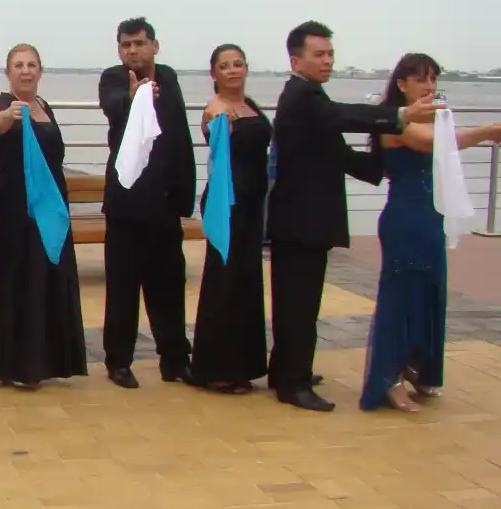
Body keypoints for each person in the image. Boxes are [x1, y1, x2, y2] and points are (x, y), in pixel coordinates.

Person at [268, 21, 435, 412]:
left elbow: (337, 153)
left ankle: (287, 370)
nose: (327, 61)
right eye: (319, 55)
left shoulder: (312, 99)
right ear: (296, 59)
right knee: (299, 303)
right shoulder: (303, 96)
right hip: (299, 219)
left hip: (305, 218)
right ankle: (292, 384)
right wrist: (398, 115)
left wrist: (380, 165)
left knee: (298, 301)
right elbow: (344, 116)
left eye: (330, 54)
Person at [360, 54, 501, 412]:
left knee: (429, 292)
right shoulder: (393, 121)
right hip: (405, 217)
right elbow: (432, 143)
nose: (429, 86)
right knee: (400, 295)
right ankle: (387, 378)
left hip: (430, 216)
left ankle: (418, 366)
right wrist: (487, 132)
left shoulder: (434, 117)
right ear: (402, 84)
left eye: (433, 79)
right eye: (421, 79)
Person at [97, 17, 196, 389]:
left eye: (139, 43)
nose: (132, 51)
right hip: (127, 204)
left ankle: (174, 359)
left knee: (169, 286)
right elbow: (112, 107)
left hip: (165, 204)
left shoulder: (168, 78)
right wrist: (136, 96)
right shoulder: (113, 78)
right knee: (123, 288)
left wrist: (185, 194)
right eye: (126, 45)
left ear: (155, 45)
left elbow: (180, 137)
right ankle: (118, 361)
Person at [0, 44, 88, 389]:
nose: (25, 70)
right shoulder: (4, 106)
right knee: (21, 281)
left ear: (40, 71)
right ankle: (20, 364)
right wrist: (4, 121)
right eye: (18, 65)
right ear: (8, 72)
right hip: (19, 211)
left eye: (31, 65)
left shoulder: (44, 107)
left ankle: (53, 359)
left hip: (53, 206)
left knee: (51, 278)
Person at [191, 44, 272, 393]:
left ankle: (246, 365)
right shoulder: (217, 108)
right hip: (227, 203)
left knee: (247, 282)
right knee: (224, 282)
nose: (233, 70)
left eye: (238, 63)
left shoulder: (250, 106)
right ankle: (217, 367)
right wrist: (216, 124)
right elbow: (212, 133)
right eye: (224, 66)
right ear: (214, 74)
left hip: (253, 203)